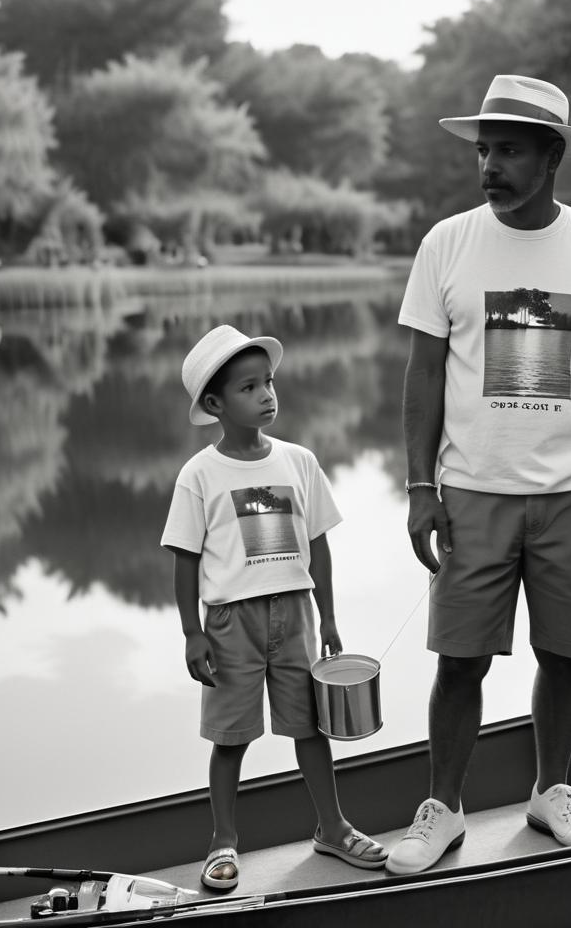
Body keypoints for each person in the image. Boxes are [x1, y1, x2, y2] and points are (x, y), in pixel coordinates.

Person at [387, 75, 571, 875]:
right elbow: (423, 374)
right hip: (471, 491)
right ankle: (444, 808)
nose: (488, 166)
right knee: (459, 661)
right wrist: (419, 488)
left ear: (551, 157)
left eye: (507, 150)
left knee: (564, 654)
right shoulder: (448, 243)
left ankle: (551, 792)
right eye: (483, 150)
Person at [161, 324, 387, 891]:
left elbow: (318, 546)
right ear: (214, 404)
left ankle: (332, 828)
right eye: (248, 388)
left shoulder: (299, 461)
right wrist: (192, 633)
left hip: (295, 615)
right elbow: (185, 560)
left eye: (269, 382)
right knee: (230, 738)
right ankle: (222, 841)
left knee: (310, 727)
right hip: (230, 622)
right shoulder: (199, 475)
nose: (267, 395)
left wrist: (329, 616)